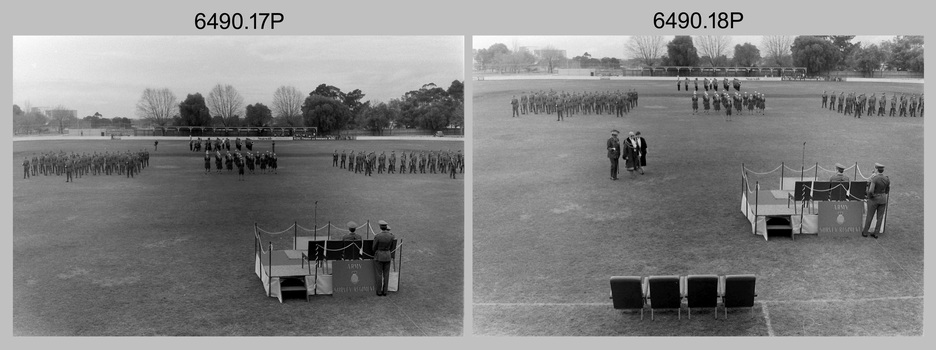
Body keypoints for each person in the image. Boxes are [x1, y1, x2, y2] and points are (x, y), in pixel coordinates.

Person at [862, 163, 890, 239]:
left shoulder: (875, 179)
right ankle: (876, 233)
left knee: (869, 216)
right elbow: (887, 190)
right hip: (883, 199)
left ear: (877, 169)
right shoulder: (887, 178)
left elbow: (871, 191)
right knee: (880, 217)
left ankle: (865, 232)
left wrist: (870, 197)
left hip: (874, 199)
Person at [372, 220, 395, 296]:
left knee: (379, 274)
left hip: (379, 256)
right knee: (386, 274)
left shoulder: (378, 236)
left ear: (380, 227)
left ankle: (379, 291)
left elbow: (374, 247)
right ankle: (385, 291)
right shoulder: (391, 236)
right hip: (387, 256)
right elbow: (392, 247)